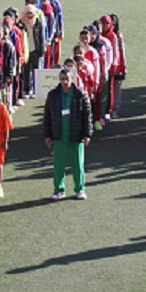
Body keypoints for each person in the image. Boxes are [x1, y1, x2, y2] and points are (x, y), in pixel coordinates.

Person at [43, 68, 93, 201]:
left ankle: (80, 189)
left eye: (67, 79)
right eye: (62, 79)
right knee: (59, 165)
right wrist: (47, 135)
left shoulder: (81, 95)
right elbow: (47, 117)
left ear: (72, 79)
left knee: (78, 165)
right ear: (59, 80)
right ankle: (59, 190)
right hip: (59, 135)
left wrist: (87, 134)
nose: (65, 82)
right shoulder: (53, 95)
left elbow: (87, 116)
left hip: (76, 135)